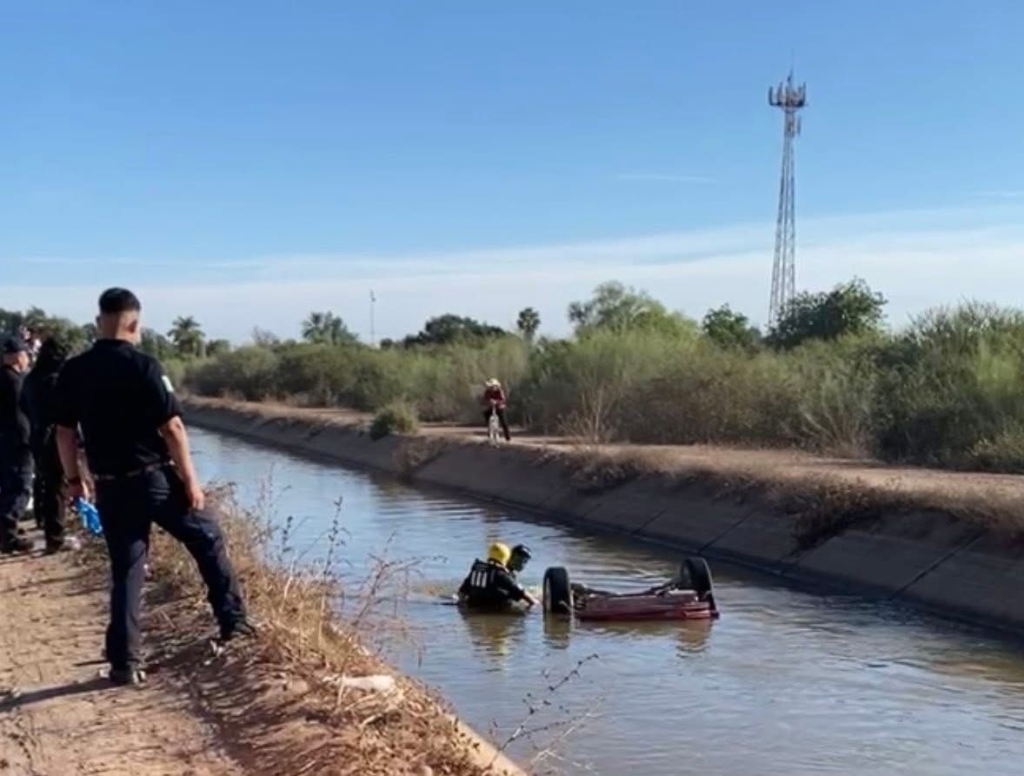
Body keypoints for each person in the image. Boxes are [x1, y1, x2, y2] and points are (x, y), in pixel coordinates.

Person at [54, 288, 254, 686]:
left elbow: (63, 433)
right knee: (207, 537)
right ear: (134, 324)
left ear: (99, 322)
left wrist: (75, 481)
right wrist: (191, 482)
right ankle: (234, 623)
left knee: (127, 569)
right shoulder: (145, 366)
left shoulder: (74, 371)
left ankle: (124, 663)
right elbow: (173, 427)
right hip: (154, 480)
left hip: (110, 487)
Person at [21, 336, 72, 553]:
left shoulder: (30, 379)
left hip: (36, 433)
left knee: (45, 482)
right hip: (54, 435)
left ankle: (46, 525)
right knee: (56, 487)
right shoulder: (56, 380)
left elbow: (23, 406)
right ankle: (55, 537)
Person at [0, 336, 34, 554]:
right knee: (21, 486)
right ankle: (8, 532)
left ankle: (6, 527)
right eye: (25, 355)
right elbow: (21, 415)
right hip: (17, 440)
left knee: (7, 485)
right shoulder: (15, 382)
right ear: (17, 356)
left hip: (4, 440)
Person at [458, 542, 537, 611]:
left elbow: (461, 594)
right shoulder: (501, 575)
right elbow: (528, 598)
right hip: (494, 612)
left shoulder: (477, 570)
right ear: (507, 557)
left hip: (473, 611)